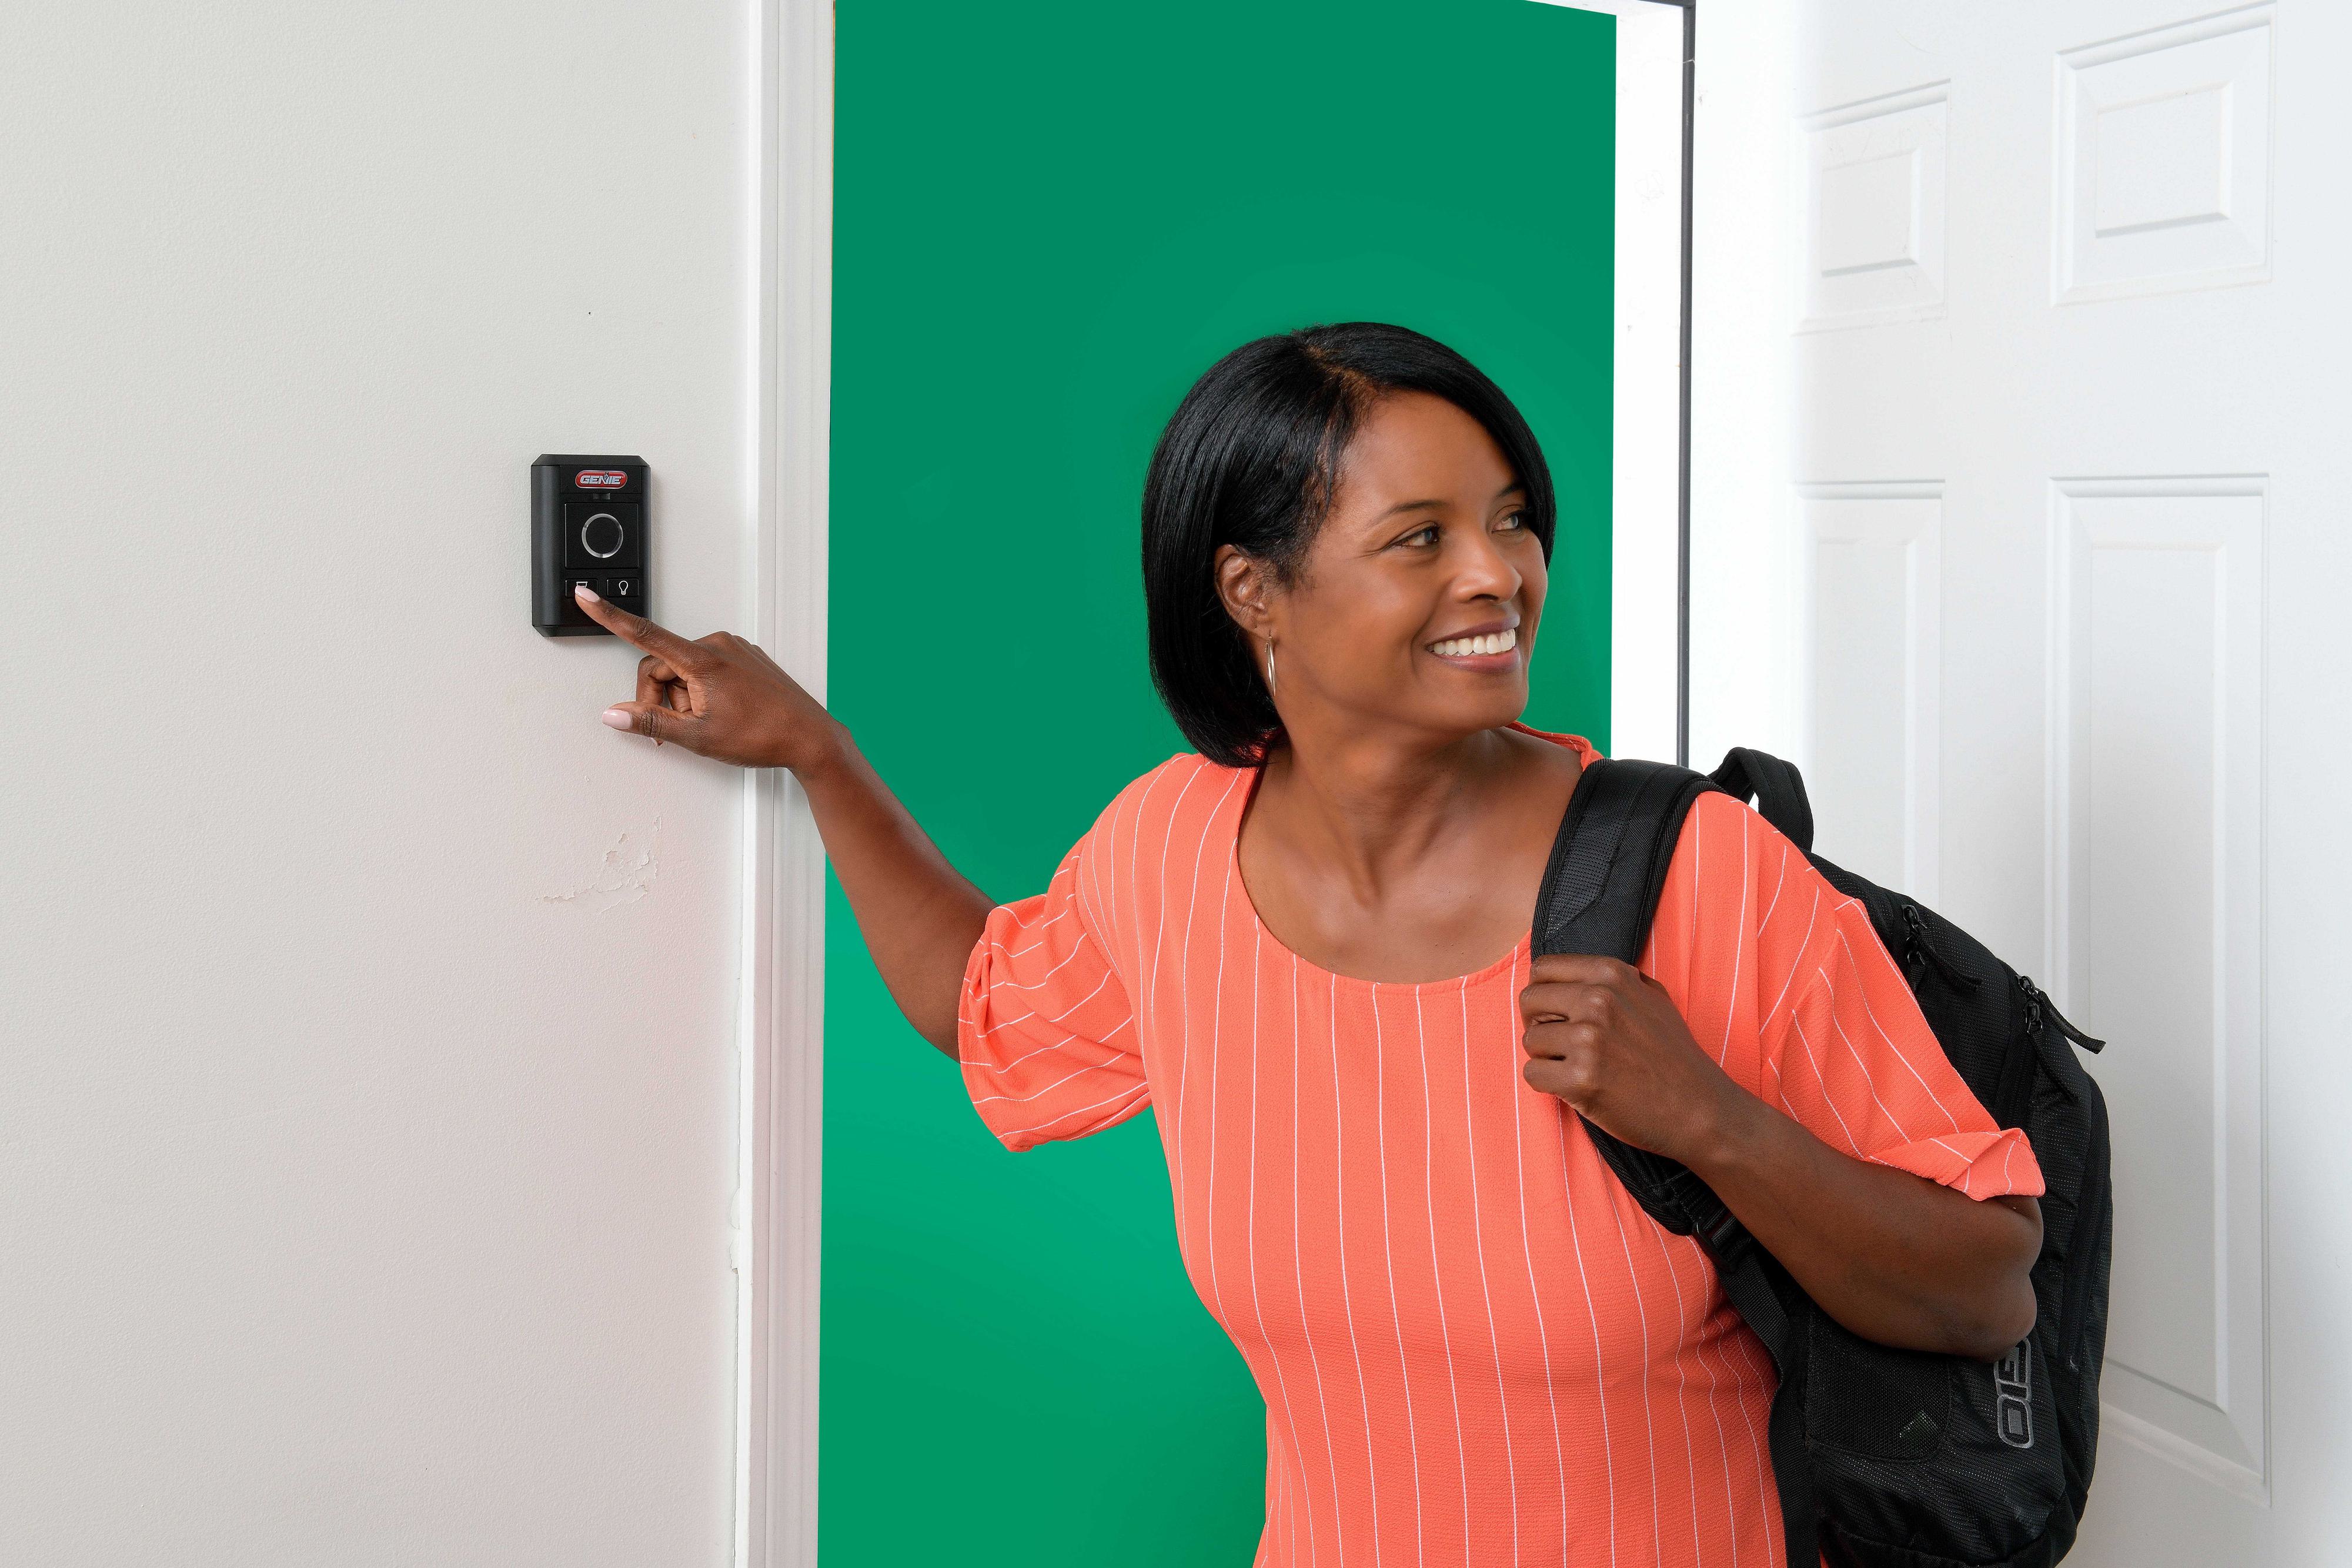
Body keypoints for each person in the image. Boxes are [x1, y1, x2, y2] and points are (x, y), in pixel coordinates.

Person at [572, 322, 2044, 1567]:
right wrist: (817, 755)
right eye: (1420, 538)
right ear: (1251, 591)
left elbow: (1983, 1281)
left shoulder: (1692, 872)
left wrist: (1708, 1119)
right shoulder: (1173, 846)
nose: (1498, 574)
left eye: (1512, 516)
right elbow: (987, 1005)